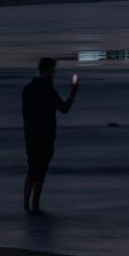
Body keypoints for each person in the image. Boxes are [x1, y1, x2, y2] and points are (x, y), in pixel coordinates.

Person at [21, 57, 79, 215]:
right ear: (47, 71)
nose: (55, 73)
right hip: (44, 136)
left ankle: (26, 205)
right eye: (53, 70)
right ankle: (35, 206)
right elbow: (64, 108)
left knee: (32, 169)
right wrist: (73, 92)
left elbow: (25, 114)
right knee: (40, 172)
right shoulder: (48, 91)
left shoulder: (28, 89)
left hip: (30, 134)